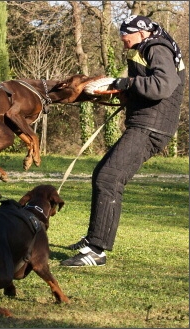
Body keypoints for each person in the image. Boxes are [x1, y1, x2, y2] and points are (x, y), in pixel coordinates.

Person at [60, 15, 185, 267]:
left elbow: (162, 85)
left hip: (151, 127)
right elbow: (149, 87)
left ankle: (97, 251)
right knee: (102, 174)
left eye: (125, 37)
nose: (124, 43)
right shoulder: (149, 47)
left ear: (140, 33)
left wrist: (124, 83)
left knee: (109, 178)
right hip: (146, 122)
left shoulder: (157, 47)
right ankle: (94, 239)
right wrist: (122, 93)